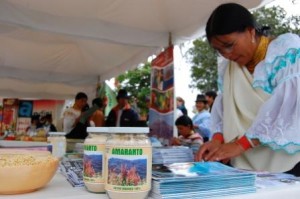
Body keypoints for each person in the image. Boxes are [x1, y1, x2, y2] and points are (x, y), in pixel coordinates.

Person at [195, 3, 300, 176]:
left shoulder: (287, 51)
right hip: (242, 165)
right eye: (219, 50)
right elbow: (225, 109)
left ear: (251, 31)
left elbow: (289, 107)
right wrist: (217, 139)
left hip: (290, 163)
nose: (226, 54)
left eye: (229, 45)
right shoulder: (228, 68)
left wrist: (239, 145)